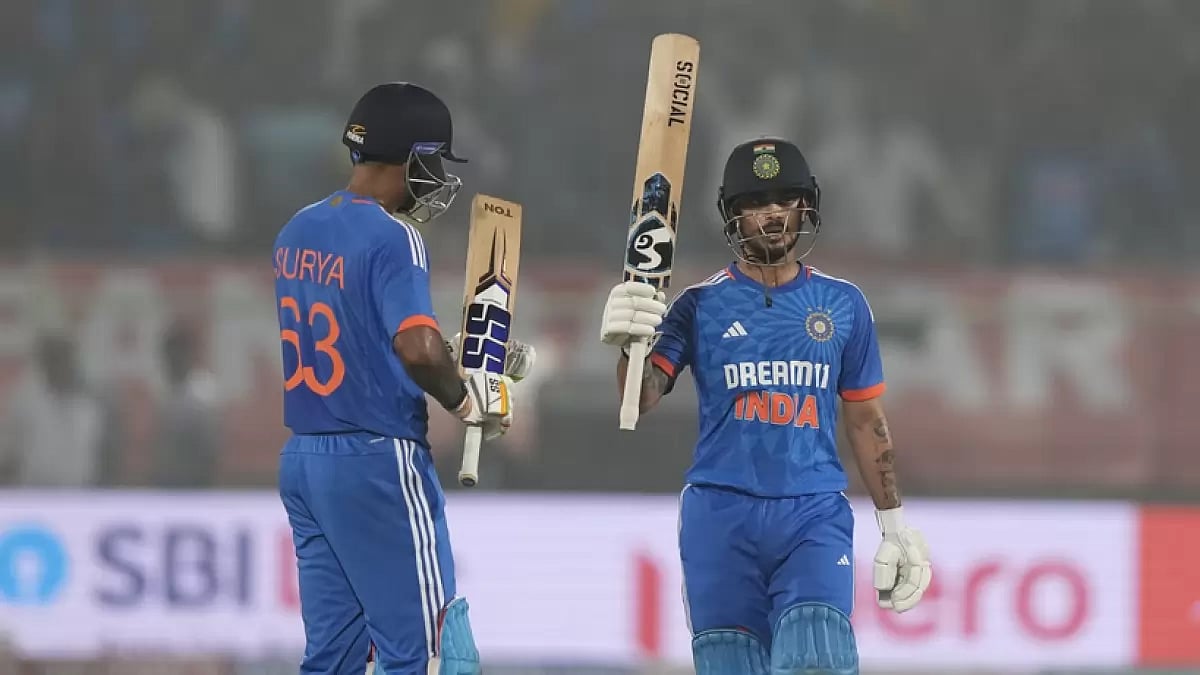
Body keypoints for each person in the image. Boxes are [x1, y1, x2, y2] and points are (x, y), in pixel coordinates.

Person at [599, 138, 932, 674]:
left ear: (806, 206)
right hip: (720, 516)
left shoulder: (844, 304)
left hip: (812, 513)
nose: (773, 213)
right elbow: (637, 401)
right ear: (733, 215)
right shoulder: (697, 306)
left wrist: (894, 526)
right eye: (756, 202)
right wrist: (628, 345)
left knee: (817, 658)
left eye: (785, 199)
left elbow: (866, 421)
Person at [273, 82, 533, 675]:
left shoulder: (296, 230)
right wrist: (464, 400)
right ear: (413, 156)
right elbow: (416, 348)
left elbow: (363, 334)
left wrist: (448, 354)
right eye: (435, 161)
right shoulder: (396, 236)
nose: (438, 176)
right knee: (434, 654)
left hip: (306, 462)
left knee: (333, 660)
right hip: (377, 459)